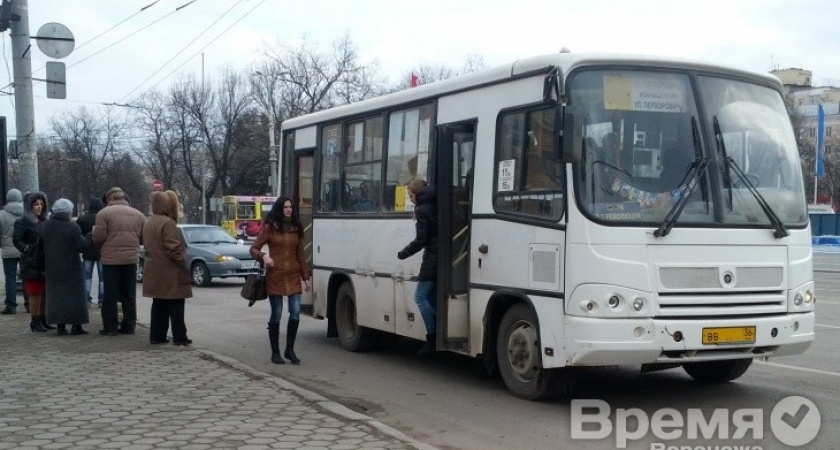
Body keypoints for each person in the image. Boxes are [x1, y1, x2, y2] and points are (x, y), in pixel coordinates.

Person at [249, 196, 310, 365]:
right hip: (275, 276)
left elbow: (300, 254)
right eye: (285, 207)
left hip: (293, 276)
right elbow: (253, 249)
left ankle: (289, 350)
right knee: (276, 314)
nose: (289, 209)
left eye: (290, 207)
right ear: (279, 209)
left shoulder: (296, 227)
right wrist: (264, 256)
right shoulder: (270, 227)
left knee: (295, 314)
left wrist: (306, 277)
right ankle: (275, 352)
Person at [92, 187, 146, 336]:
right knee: (129, 294)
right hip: (131, 259)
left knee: (110, 295)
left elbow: (98, 237)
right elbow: (143, 238)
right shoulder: (139, 215)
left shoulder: (104, 214)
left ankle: (111, 327)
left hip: (111, 260)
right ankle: (129, 326)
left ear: (109, 199)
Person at [142, 190, 193, 345]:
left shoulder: (149, 222)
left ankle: (157, 336)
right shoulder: (167, 223)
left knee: (159, 304)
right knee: (176, 304)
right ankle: (179, 337)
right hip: (170, 271)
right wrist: (183, 262)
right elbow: (173, 248)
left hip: (153, 269)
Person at [397, 178, 438, 355]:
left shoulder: (422, 209)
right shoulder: (435, 203)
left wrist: (403, 253)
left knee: (420, 297)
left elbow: (421, 239)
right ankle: (439, 329)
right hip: (440, 257)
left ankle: (432, 337)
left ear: (418, 194)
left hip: (432, 259)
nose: (410, 199)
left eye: (411, 195)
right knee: (432, 297)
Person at [41, 198, 91, 335]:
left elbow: (39, 246)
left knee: (56, 295)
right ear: (68, 212)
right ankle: (76, 325)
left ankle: (60, 326)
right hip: (72, 267)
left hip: (52, 266)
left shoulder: (45, 226)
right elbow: (82, 246)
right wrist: (89, 237)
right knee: (75, 296)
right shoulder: (72, 227)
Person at [13, 192, 50, 332]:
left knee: (44, 291)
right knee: (36, 291)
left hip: (44, 261)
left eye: (41, 204)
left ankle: (42, 318)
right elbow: (17, 240)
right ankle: (35, 320)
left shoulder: (44, 221)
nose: (39, 207)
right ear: (30, 206)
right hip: (31, 261)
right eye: (36, 204)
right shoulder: (23, 221)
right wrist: (27, 248)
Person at [76, 198, 104, 308]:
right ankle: (102, 299)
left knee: (87, 277)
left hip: (87, 250)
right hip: (101, 251)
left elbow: (79, 235)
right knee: (103, 278)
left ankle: (86, 299)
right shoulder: (102, 218)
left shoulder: (82, 219)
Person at [0, 189, 24, 314]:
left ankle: (11, 305)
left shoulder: (1, 214)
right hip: (24, 249)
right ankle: (29, 304)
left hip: (8, 251)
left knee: (10, 278)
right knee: (26, 277)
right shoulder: (26, 213)